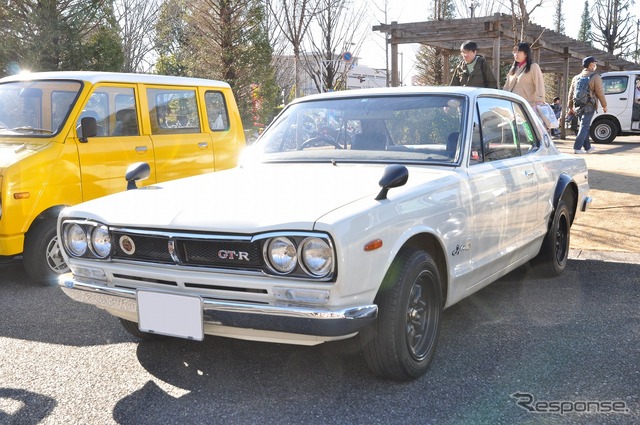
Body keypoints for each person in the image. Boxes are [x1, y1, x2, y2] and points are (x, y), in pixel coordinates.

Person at [567, 56, 607, 154]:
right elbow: (600, 93)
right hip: (589, 105)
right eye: (595, 63)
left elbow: (571, 94)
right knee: (584, 126)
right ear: (591, 64)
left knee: (583, 126)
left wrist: (570, 107)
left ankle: (588, 148)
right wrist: (604, 105)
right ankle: (577, 147)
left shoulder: (576, 77)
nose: (595, 65)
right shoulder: (595, 77)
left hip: (578, 105)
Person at [503, 42, 545, 107]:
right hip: (511, 106)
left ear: (525, 54)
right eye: (514, 52)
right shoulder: (513, 69)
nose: (516, 54)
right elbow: (506, 87)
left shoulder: (533, 67)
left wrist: (539, 102)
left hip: (527, 107)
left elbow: (539, 85)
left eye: (519, 52)